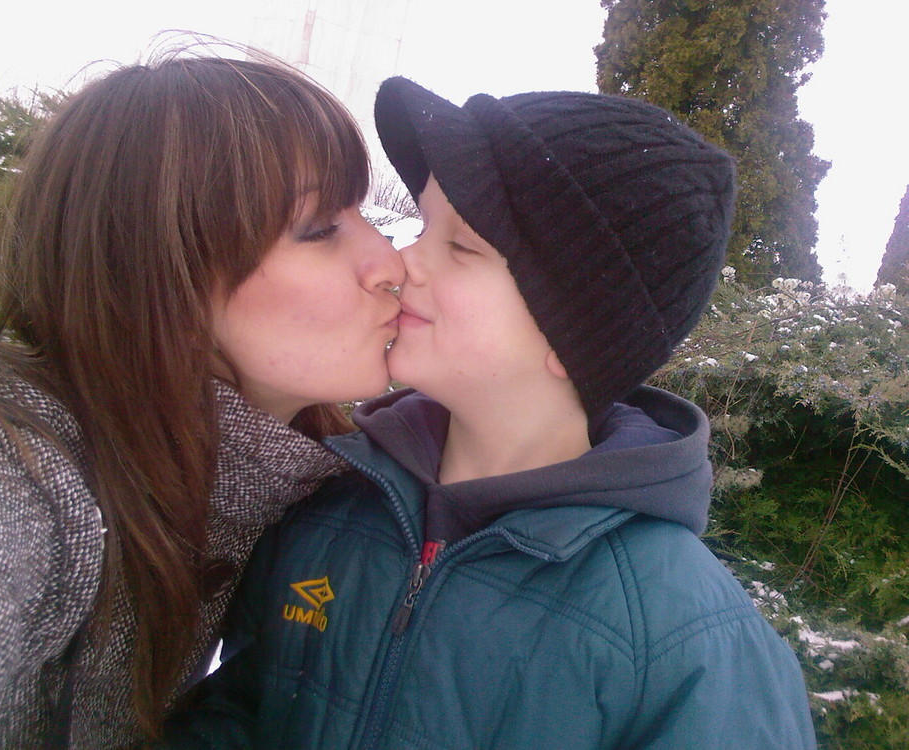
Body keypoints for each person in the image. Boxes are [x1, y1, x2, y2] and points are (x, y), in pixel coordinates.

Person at [160, 76, 818, 749]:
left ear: (575, 334)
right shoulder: (326, 509)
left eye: (463, 245)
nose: (398, 261)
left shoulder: (682, 637)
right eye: (421, 225)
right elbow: (237, 713)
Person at [0, 54, 404, 749]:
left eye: (364, 215)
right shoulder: (1, 484)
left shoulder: (297, 483)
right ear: (159, 271)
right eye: (320, 228)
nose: (390, 261)